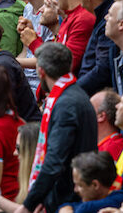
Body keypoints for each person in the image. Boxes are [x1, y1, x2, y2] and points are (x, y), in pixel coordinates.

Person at [23, 42, 97, 213]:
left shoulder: (66, 104)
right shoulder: (74, 94)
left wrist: (30, 203)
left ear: (41, 71)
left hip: (66, 199)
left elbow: (55, 160)